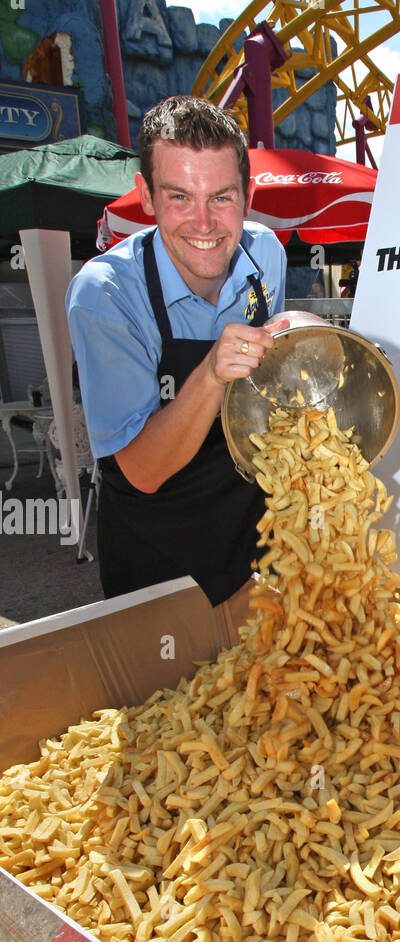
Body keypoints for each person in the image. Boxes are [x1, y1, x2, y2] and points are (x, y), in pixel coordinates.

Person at [66, 96, 289, 606]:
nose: (205, 223)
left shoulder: (266, 254)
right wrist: (211, 373)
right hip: (154, 550)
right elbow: (142, 471)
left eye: (222, 197)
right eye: (180, 197)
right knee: (174, 686)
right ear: (146, 196)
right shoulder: (105, 295)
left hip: (249, 532)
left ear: (248, 194)